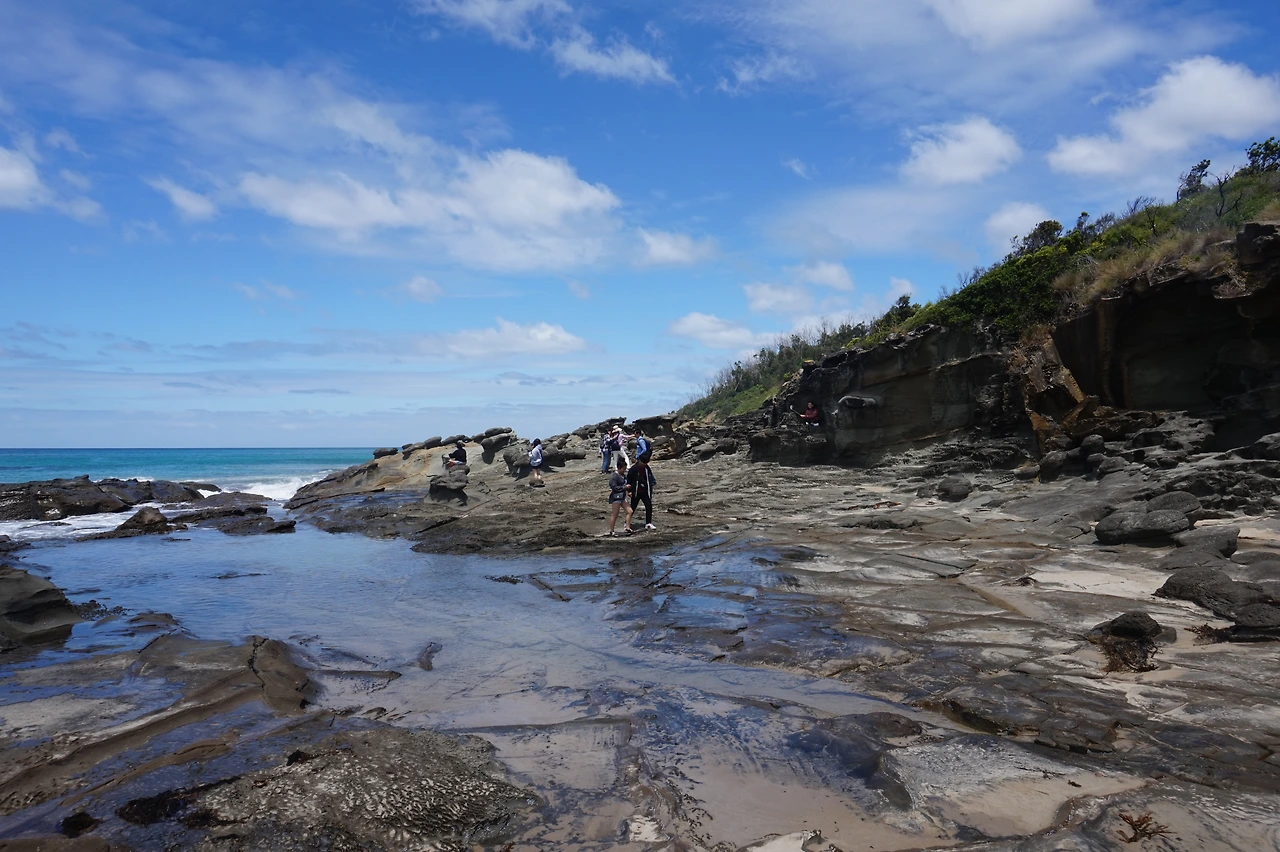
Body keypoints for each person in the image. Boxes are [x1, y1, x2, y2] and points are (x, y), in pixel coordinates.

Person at [624, 457, 656, 534]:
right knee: (632, 507)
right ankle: (626, 523)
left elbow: (650, 476)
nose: (644, 464)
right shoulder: (633, 469)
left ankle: (648, 523)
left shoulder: (647, 468)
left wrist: (652, 482)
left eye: (645, 463)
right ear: (639, 461)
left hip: (645, 491)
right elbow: (629, 480)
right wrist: (629, 491)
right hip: (636, 491)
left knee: (648, 506)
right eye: (643, 462)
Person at [606, 456, 629, 536]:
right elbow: (614, 487)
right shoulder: (614, 476)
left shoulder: (623, 475)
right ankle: (612, 531)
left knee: (630, 511)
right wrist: (624, 487)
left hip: (622, 497)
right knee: (615, 514)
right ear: (619, 468)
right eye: (623, 469)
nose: (624, 470)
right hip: (616, 497)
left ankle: (627, 527)